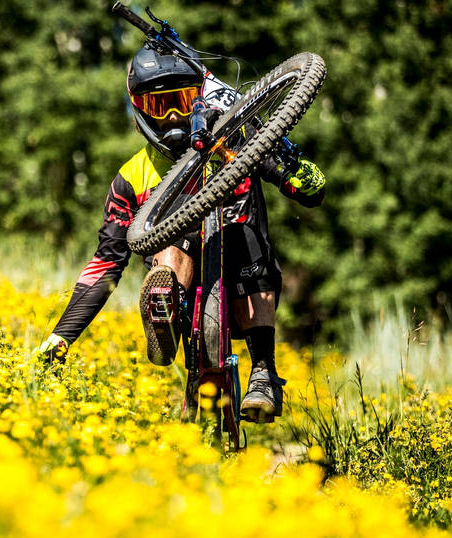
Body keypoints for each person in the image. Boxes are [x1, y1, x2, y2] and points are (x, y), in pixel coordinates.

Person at [35, 45, 326, 422]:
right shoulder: (132, 178)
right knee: (171, 245)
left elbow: (310, 191)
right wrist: (61, 337)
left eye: (182, 101)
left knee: (247, 234)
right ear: (140, 110)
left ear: (200, 99)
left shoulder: (235, 139)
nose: (173, 116)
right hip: (179, 271)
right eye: (160, 106)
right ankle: (164, 313)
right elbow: (107, 262)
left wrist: (294, 170)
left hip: (244, 263)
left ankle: (263, 371)